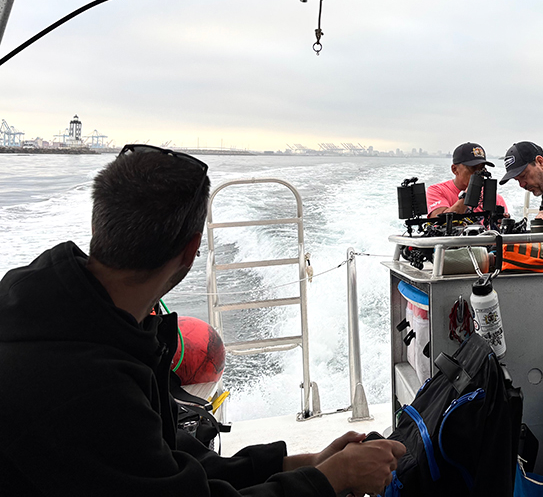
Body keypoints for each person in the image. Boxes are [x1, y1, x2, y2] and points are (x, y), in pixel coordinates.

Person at [0, 144, 405, 497]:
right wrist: (331, 480)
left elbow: (165, 462)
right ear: (192, 250)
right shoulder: (87, 385)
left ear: (97, 224)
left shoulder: (69, 315)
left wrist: (303, 464)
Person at [426, 142, 508, 217]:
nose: (478, 173)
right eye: (473, 168)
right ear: (454, 169)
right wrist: (469, 193)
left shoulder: (495, 199)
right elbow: (438, 221)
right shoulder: (437, 191)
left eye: (481, 168)